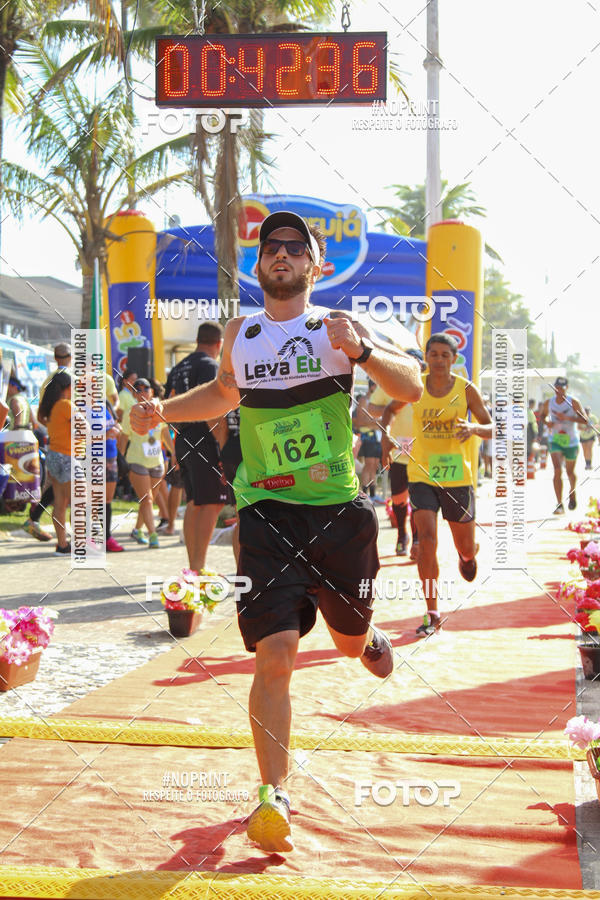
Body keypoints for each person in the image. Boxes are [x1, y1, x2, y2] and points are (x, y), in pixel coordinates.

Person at [130, 210, 422, 853]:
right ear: (260, 265)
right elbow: (222, 396)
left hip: (339, 514)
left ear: (316, 266)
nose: (282, 253)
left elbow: (412, 385)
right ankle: (273, 796)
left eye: (296, 247)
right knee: (276, 651)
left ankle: (361, 631)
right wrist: (162, 411)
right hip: (263, 511)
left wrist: (365, 353)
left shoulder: (340, 328)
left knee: (348, 649)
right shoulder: (242, 331)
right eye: (272, 246)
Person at [407, 333, 493, 637]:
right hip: (421, 474)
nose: (439, 360)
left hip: (457, 477)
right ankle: (432, 613)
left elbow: (492, 428)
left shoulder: (466, 390)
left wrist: (473, 428)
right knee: (427, 540)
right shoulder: (414, 385)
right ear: (426, 357)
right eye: (434, 354)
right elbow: (391, 407)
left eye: (445, 355)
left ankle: (468, 555)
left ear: (454, 359)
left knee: (464, 547)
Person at [164, 322, 229, 573]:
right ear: (219, 344)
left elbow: (169, 404)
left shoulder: (180, 365)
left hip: (183, 437)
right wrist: (222, 447)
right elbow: (212, 408)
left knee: (195, 501)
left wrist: (174, 445)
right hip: (204, 437)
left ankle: (193, 568)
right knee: (212, 502)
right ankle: (198, 568)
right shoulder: (210, 365)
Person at [373, 348, 426, 558]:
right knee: (398, 498)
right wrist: (391, 406)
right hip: (397, 450)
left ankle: (417, 539)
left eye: (418, 365)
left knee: (418, 498)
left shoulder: (429, 385)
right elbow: (372, 407)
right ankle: (402, 534)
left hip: (423, 452)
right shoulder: (391, 381)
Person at [23, 342, 72, 541]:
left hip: (55, 443)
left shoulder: (48, 381)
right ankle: (81, 540)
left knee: (56, 490)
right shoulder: (69, 380)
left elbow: (41, 415)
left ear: (54, 357)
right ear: (70, 357)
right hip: (70, 446)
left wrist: (53, 425)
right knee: (73, 495)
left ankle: (37, 521)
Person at [122, 378, 163, 548]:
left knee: (147, 500)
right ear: (133, 393)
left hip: (157, 461)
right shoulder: (129, 412)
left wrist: (173, 453)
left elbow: (165, 432)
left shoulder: (159, 408)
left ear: (152, 391)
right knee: (147, 499)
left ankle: (137, 529)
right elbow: (123, 437)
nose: (142, 392)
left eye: (146, 388)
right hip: (136, 460)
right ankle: (153, 535)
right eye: (138, 389)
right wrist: (120, 459)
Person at [37, 371, 73, 554]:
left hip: (53, 456)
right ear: (68, 388)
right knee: (79, 502)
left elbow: (39, 419)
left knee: (60, 503)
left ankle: (62, 544)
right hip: (67, 457)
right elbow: (83, 427)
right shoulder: (66, 405)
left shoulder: (48, 407)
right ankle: (83, 543)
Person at [540, 377, 586, 513]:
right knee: (557, 469)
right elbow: (542, 416)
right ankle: (559, 503)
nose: (559, 391)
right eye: (557, 388)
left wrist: (568, 418)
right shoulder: (549, 402)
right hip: (555, 439)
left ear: (567, 388)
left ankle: (572, 492)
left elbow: (585, 420)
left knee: (570, 472)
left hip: (571, 441)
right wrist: (547, 422)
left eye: (562, 388)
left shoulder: (573, 402)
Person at [353, 380, 383, 502]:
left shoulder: (379, 401)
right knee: (369, 465)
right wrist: (376, 423)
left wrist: (376, 424)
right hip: (367, 436)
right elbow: (359, 422)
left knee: (375, 465)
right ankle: (364, 494)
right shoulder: (364, 400)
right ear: (372, 386)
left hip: (378, 436)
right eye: (376, 386)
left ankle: (373, 493)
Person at [579, 407, 599, 471]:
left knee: (589, 449)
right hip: (583, 436)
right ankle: (587, 462)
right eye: (586, 411)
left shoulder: (593, 417)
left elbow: (598, 425)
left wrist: (592, 427)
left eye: (588, 411)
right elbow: (578, 427)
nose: (587, 412)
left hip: (591, 435)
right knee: (585, 450)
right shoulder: (581, 417)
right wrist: (584, 429)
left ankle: (589, 464)